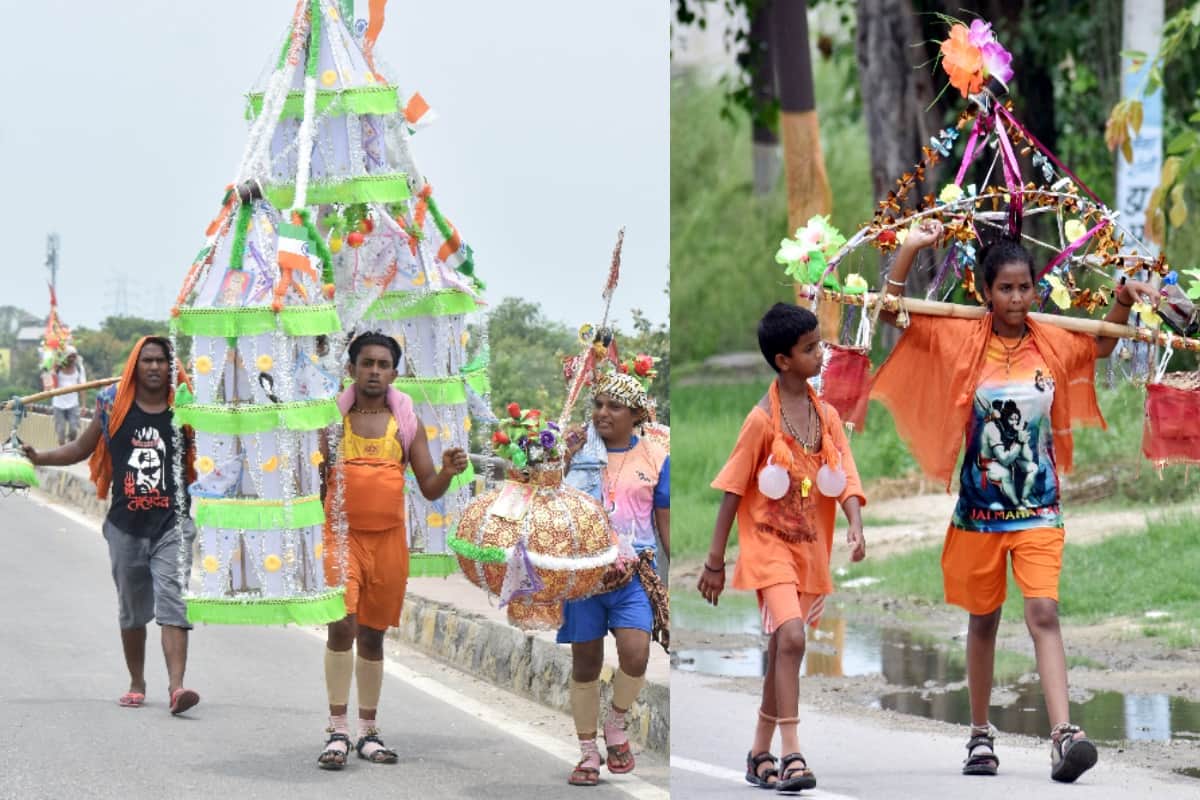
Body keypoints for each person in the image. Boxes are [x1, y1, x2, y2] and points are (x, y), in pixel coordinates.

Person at [872, 219, 1159, 783]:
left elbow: (1102, 343)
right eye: (1005, 288)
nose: (1018, 298)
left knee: (1043, 612)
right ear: (985, 292)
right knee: (984, 622)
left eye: (1026, 287)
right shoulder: (961, 336)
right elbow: (891, 314)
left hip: (1040, 506)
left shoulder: (1048, 337)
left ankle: (1063, 733)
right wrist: (908, 250)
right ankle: (980, 734)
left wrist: (1122, 298)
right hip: (980, 513)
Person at [697, 303, 866, 793]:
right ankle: (792, 754)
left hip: (811, 549)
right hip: (767, 546)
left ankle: (758, 752)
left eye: (820, 344)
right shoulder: (759, 422)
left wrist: (855, 525)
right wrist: (714, 562)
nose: (821, 354)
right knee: (792, 639)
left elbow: (848, 476)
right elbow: (732, 489)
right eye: (811, 348)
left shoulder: (827, 416)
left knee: (781, 646)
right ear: (783, 360)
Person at [316, 331, 470, 770]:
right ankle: (337, 730)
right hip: (340, 538)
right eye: (367, 364)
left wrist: (447, 470)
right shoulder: (330, 421)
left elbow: (429, 488)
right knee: (341, 626)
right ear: (352, 369)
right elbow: (310, 478)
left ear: (394, 373)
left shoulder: (406, 422)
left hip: (388, 543)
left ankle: (367, 731)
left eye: (383, 365)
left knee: (372, 634)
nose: (375, 372)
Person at [24, 337, 200, 714]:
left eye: (162, 361)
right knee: (132, 610)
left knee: (174, 602)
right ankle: (137, 682)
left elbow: (216, 446)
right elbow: (79, 450)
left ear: (171, 368)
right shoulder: (111, 405)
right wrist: (39, 456)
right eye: (147, 360)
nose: (154, 367)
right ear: (135, 366)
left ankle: (177, 688)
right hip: (125, 526)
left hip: (173, 524)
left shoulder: (186, 406)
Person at [560, 371, 669, 787]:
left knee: (636, 654)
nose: (603, 414)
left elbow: (665, 526)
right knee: (585, 663)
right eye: (598, 405)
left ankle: (616, 724)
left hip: (635, 575)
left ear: (637, 414)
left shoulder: (657, 457)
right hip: (582, 576)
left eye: (615, 406)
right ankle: (588, 754)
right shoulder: (573, 452)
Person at [52, 346, 87, 445]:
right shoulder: (57, 369)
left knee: (73, 430)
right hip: (58, 404)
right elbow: (50, 385)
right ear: (65, 357)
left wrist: (83, 405)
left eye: (74, 357)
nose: (72, 359)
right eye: (69, 357)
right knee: (61, 431)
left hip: (73, 403)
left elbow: (83, 387)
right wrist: (53, 370)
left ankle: (70, 448)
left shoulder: (79, 368)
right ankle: (62, 451)